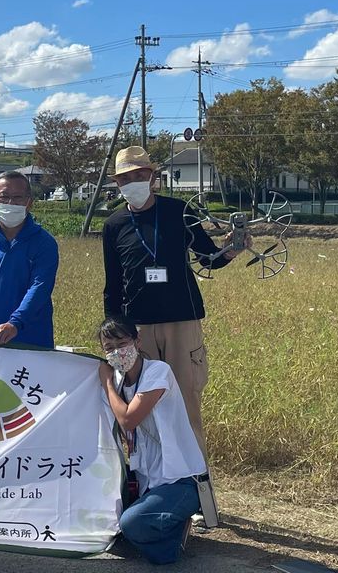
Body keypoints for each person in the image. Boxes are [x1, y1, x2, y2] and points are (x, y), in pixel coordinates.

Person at [102, 146, 249, 455]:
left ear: (153, 178)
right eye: (126, 179)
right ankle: (149, 476)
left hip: (182, 320)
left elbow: (208, 259)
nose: (134, 183)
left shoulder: (179, 211)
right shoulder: (113, 225)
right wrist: (113, 334)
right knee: (140, 400)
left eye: (140, 175)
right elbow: (113, 283)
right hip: (137, 327)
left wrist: (230, 251)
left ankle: (194, 480)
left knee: (185, 398)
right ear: (118, 185)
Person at [97, 317, 206, 565]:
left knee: (130, 524)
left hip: (178, 481)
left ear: (138, 340)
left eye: (122, 343)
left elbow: (128, 419)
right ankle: (157, 525)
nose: (117, 352)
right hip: (147, 480)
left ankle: (173, 535)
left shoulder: (157, 371)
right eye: (109, 348)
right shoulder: (119, 381)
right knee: (105, 519)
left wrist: (105, 381)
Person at [0, 171, 59, 348]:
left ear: (29, 203)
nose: (10, 203)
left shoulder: (44, 243)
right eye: (3, 197)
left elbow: (39, 288)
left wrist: (16, 322)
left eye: (18, 198)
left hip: (32, 339)